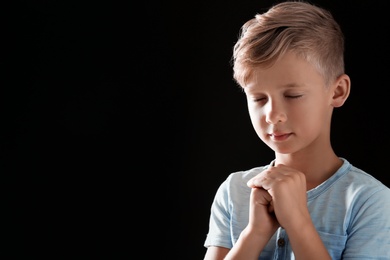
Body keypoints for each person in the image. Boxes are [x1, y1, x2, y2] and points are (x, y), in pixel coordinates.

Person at [203, 1, 390, 259]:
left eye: (293, 95)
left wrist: (298, 222)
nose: (272, 115)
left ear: (337, 91)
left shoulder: (369, 201)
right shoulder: (234, 190)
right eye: (258, 98)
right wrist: (255, 233)